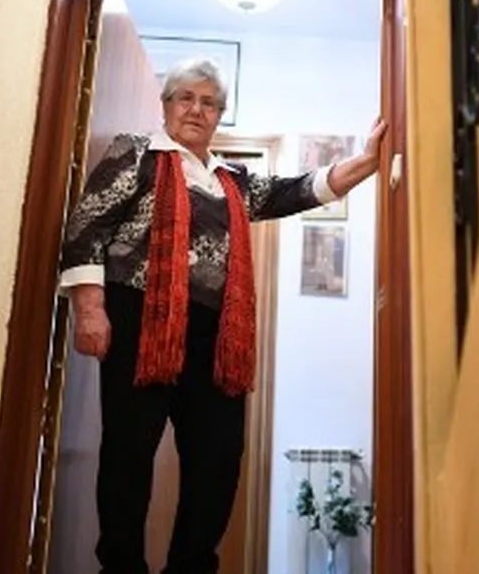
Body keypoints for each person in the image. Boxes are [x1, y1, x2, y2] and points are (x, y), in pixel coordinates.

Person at [57, 57, 385, 574]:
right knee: (129, 451)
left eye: (209, 103)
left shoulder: (231, 180)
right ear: (166, 104)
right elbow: (86, 227)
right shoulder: (137, 153)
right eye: (186, 98)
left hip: (215, 337)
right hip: (143, 320)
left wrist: (365, 163)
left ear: (219, 116)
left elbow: (293, 190)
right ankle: (120, 567)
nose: (197, 109)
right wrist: (90, 308)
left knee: (218, 459)